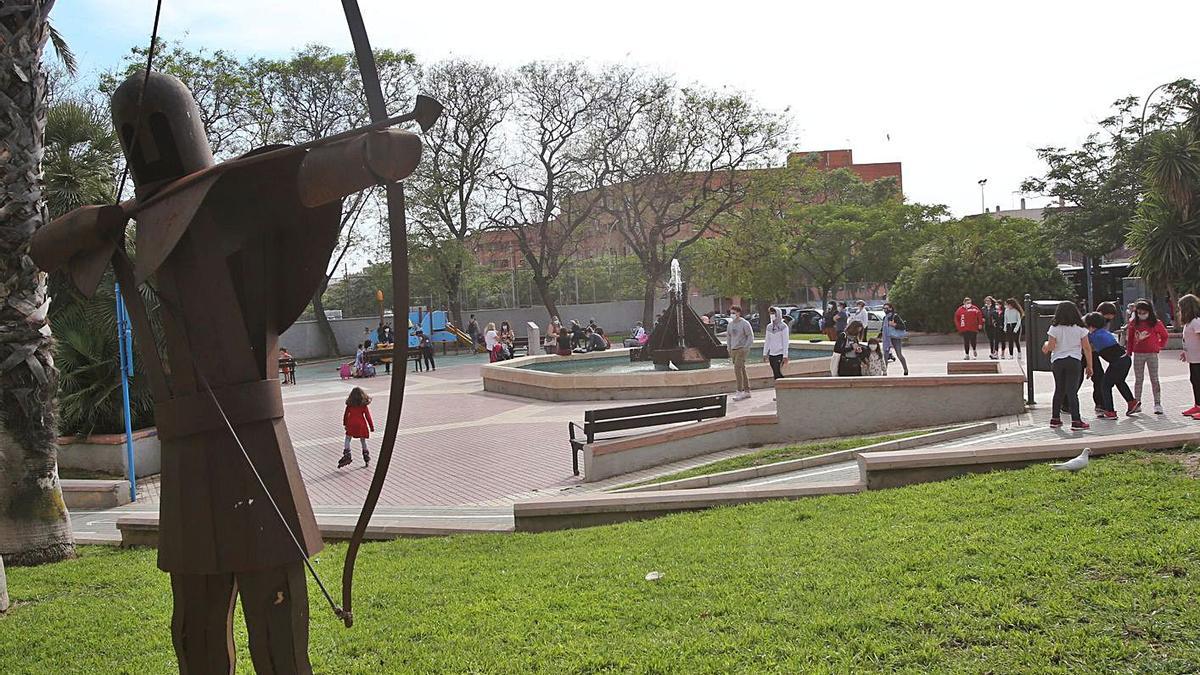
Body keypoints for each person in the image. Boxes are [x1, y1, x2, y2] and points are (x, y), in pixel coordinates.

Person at [1043, 301, 1093, 430]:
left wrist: (1045, 345)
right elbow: (1087, 348)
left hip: (1058, 361)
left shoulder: (1054, 328)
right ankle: (1076, 421)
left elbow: (1051, 346)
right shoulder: (1081, 329)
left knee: (1059, 389)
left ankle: (1055, 419)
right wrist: (1089, 366)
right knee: (1072, 391)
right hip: (1074, 360)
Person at [1085, 311, 1138, 418]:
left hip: (1117, 362)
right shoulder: (1104, 332)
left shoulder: (1094, 336)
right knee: (1119, 381)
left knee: (1105, 385)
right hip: (1125, 359)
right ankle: (1132, 402)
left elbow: (1086, 344)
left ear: (1090, 325)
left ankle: (1110, 411)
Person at [1126, 299, 1169, 415]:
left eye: (1144, 313)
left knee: (1154, 379)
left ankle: (1157, 403)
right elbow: (1130, 338)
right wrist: (1129, 351)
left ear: (1149, 312)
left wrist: (1159, 346)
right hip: (1138, 354)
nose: (1142, 315)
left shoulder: (1156, 323)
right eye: (1139, 313)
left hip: (1152, 354)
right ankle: (1137, 403)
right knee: (1138, 380)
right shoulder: (1133, 323)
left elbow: (1165, 335)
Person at [338, 387, 374, 468]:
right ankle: (366, 456)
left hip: (351, 424)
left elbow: (346, 415)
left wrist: (345, 424)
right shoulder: (363, 405)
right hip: (361, 424)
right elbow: (368, 416)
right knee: (363, 441)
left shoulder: (350, 405)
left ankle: (347, 454)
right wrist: (371, 427)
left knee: (348, 439)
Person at [726, 305, 755, 400]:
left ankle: (739, 391)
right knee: (742, 369)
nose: (732, 315)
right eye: (731, 313)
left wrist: (746, 347)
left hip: (742, 349)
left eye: (734, 313)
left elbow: (750, 336)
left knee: (737, 369)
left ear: (739, 313)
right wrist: (729, 348)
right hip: (733, 349)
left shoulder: (744, 323)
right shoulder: (730, 324)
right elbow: (729, 337)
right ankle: (747, 391)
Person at [1179, 294, 1200, 419]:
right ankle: (1197, 405)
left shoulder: (1196, 321)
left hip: (1199, 358)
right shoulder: (1189, 322)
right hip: (1193, 358)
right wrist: (1185, 351)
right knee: (1195, 381)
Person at [880, 302, 909, 375]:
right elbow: (883, 329)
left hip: (895, 338)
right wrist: (879, 337)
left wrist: (894, 325)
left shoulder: (895, 316)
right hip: (887, 338)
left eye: (886, 308)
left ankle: (905, 369)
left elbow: (903, 326)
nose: (885, 310)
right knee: (885, 355)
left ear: (890, 308)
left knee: (899, 355)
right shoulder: (885, 318)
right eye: (884, 308)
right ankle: (885, 371)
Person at [763, 306, 790, 379]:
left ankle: (783, 387)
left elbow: (785, 341)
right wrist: (765, 353)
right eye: (771, 313)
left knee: (778, 372)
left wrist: (785, 355)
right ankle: (778, 388)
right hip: (772, 354)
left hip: (780, 354)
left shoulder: (783, 327)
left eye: (774, 313)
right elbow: (767, 341)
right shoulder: (769, 327)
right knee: (775, 373)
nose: (772, 315)